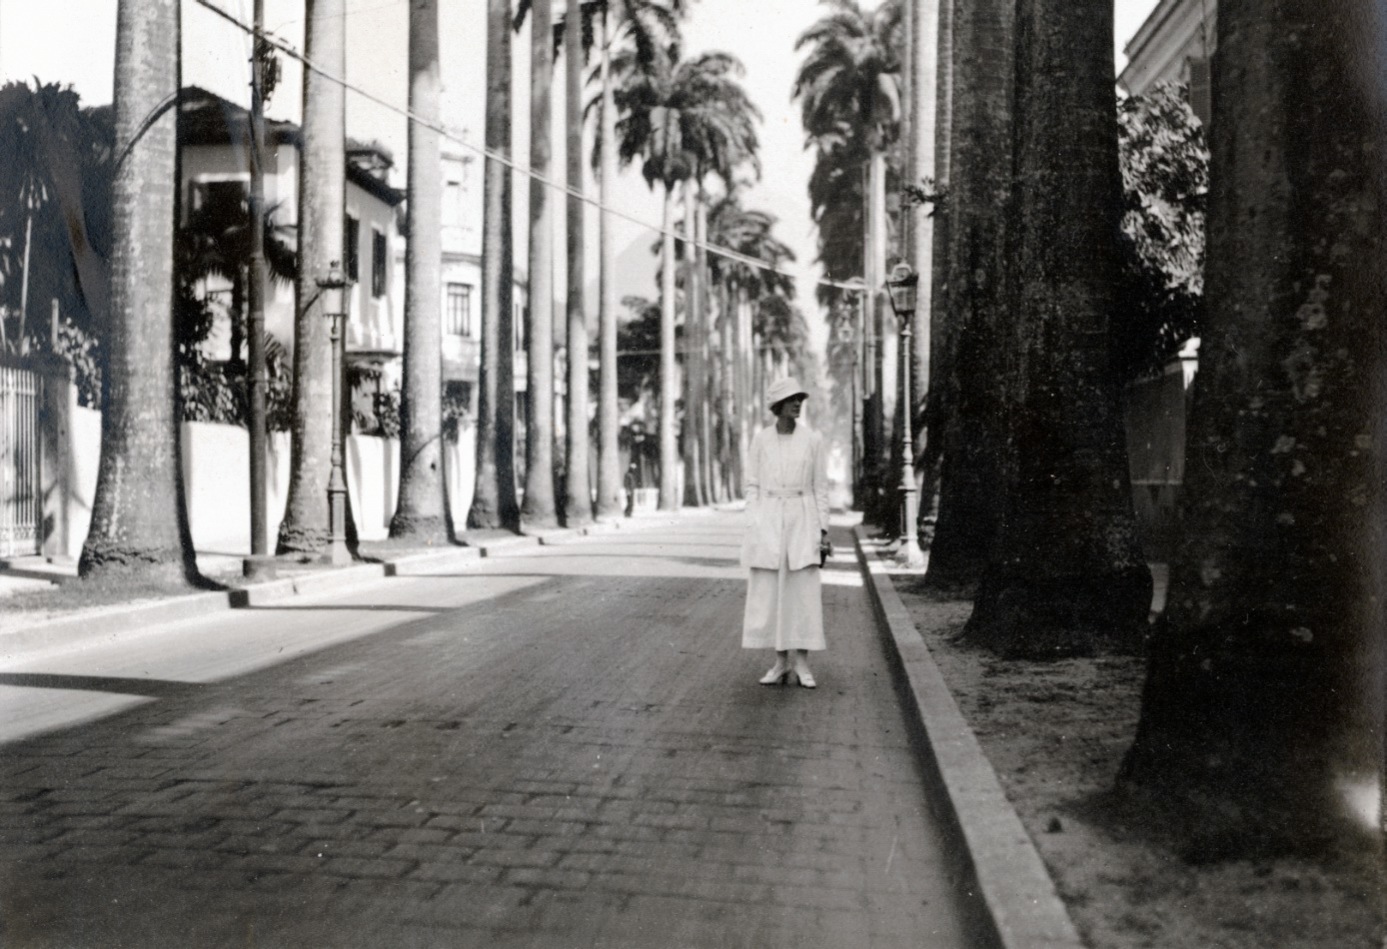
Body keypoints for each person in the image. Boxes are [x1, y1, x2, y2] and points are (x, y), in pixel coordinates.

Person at [740, 376, 830, 688]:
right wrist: (754, 521)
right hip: (769, 520)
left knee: (802, 591)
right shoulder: (761, 440)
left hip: (802, 518)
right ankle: (780, 663)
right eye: (791, 400)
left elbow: (820, 487)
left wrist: (823, 528)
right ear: (777, 406)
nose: (797, 404)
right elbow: (752, 485)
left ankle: (803, 664)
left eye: (800, 400)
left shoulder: (812, 440)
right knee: (773, 591)